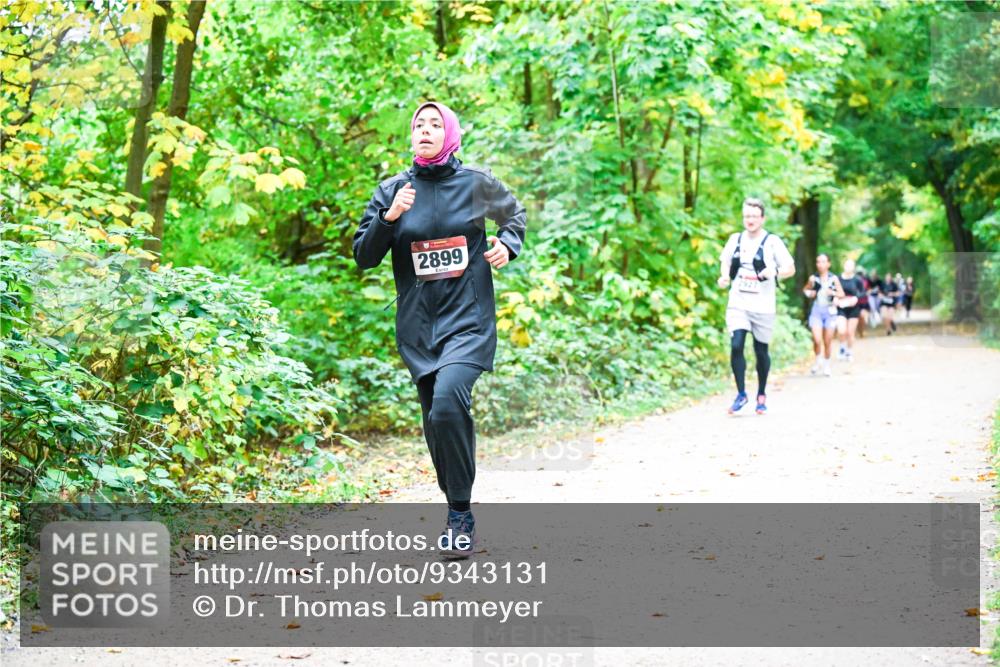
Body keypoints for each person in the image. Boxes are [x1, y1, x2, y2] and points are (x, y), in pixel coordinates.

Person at [353, 101, 526, 558]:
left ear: (450, 134)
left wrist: (508, 245)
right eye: (418, 125)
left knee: (449, 403)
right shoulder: (393, 190)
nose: (424, 130)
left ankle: (460, 516)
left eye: (434, 124)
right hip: (418, 329)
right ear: (410, 136)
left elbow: (515, 215)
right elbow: (364, 257)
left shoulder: (474, 184)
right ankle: (455, 506)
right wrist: (389, 219)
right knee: (436, 421)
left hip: (468, 321)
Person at [717, 197, 796, 415]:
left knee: (761, 351)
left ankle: (761, 393)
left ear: (762, 218)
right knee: (736, 345)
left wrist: (776, 272)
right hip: (738, 303)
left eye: (754, 216)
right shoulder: (735, 239)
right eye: (746, 216)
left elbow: (790, 267)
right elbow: (725, 261)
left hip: (763, 306)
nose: (750, 220)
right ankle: (741, 394)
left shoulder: (772, 242)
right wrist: (724, 277)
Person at [803, 253, 846, 376]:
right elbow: (805, 290)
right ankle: (817, 361)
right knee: (817, 339)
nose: (820, 264)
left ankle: (827, 365)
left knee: (827, 341)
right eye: (818, 262)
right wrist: (810, 293)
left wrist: (832, 292)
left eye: (823, 262)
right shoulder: (813, 278)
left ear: (828, 264)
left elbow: (842, 294)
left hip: (830, 312)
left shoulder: (833, 278)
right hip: (816, 310)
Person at [835, 259, 863, 361]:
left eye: (851, 266)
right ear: (844, 266)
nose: (848, 267)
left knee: (850, 332)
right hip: (841, 307)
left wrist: (856, 298)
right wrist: (835, 298)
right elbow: (832, 291)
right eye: (847, 265)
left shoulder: (857, 280)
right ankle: (842, 348)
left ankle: (849, 351)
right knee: (842, 331)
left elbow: (863, 293)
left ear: (854, 268)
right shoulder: (837, 279)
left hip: (853, 309)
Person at [880, 269, 898, 335]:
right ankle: (888, 330)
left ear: (891, 277)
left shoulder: (894, 284)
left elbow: (898, 293)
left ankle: (891, 322)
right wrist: (881, 295)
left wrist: (892, 294)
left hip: (891, 303)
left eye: (889, 277)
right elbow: (879, 293)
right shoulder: (883, 284)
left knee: (889, 317)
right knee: (884, 316)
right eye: (887, 277)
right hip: (884, 302)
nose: (888, 278)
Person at [856, 267, 870, 339]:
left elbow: (868, 289)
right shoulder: (854, 281)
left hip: (864, 301)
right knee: (859, 318)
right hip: (856, 302)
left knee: (863, 317)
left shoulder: (866, 281)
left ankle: (862, 330)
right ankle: (860, 331)